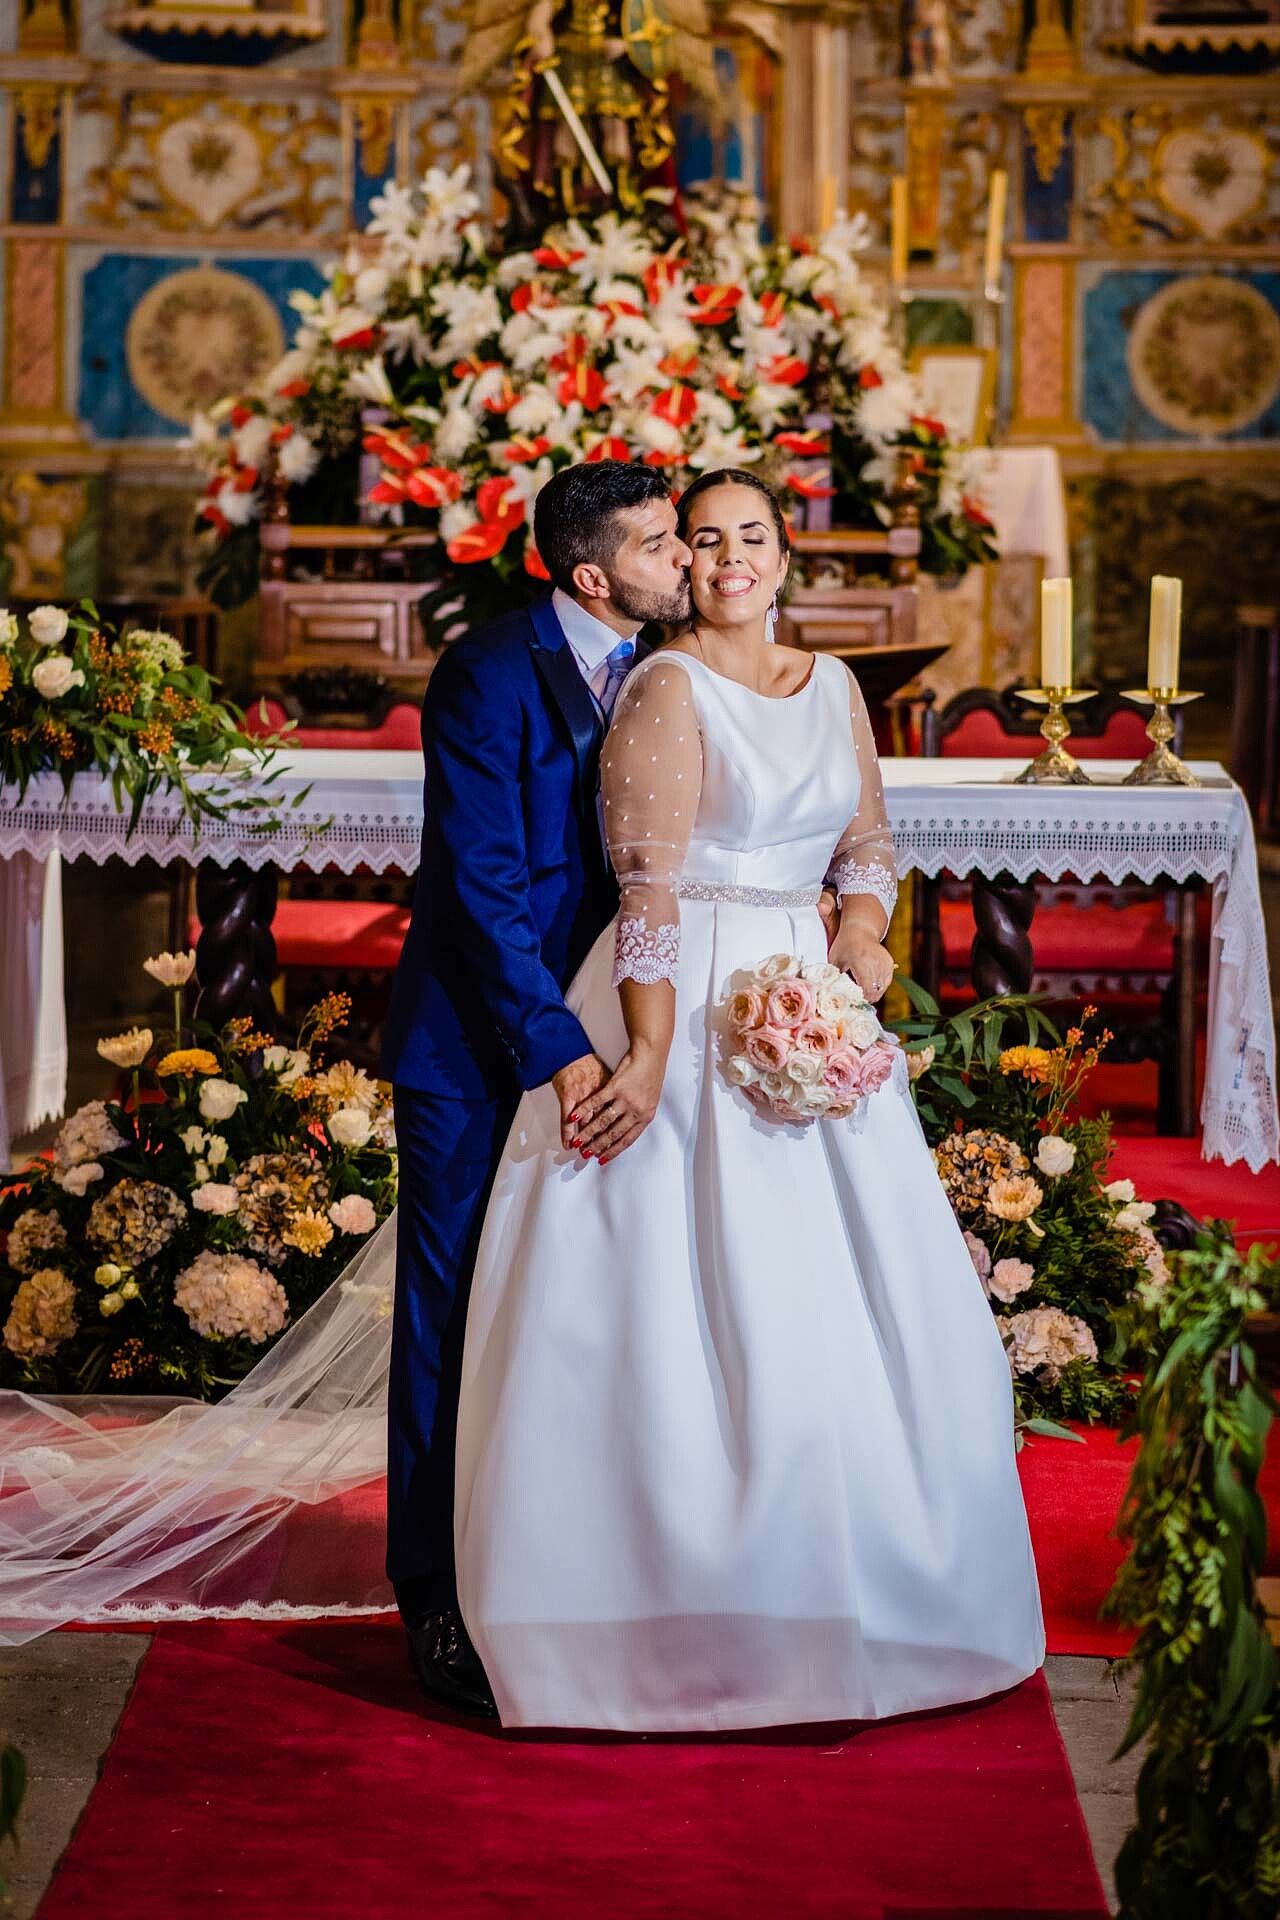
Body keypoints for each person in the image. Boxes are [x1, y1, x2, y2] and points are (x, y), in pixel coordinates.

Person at [451, 468, 1046, 1730]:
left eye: (746, 537)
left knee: (847, 1293)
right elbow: (648, 895)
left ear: (786, 556)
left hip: (812, 1000)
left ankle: (874, 1588)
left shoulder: (834, 688)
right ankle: (659, 1603)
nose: (723, 558)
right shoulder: (665, 689)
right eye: (701, 539)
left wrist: (868, 943)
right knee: (678, 1291)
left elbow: (866, 848)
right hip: (685, 999)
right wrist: (652, 1057)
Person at [378, 460, 692, 1715]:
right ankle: (436, 1596)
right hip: (480, 1044)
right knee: (450, 1322)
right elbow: (478, 886)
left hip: (634, 1035)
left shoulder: (679, 673)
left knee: (590, 1315)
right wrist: (558, 1048)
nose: (682, 561)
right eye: (662, 545)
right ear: (588, 574)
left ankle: (574, 1569)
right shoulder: (488, 671)